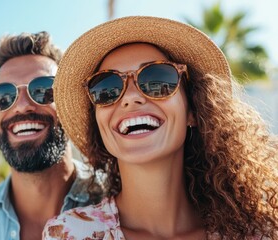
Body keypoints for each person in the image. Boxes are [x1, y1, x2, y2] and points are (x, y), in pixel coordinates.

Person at [43, 16, 278, 239]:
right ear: (98, 121)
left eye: (157, 78)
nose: (130, 98)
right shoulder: (68, 234)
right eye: (108, 87)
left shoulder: (258, 232)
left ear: (193, 111)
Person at [0, 31, 104, 240]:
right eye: (3, 96)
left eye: (43, 89)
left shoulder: (122, 205)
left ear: (70, 102)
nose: (22, 106)